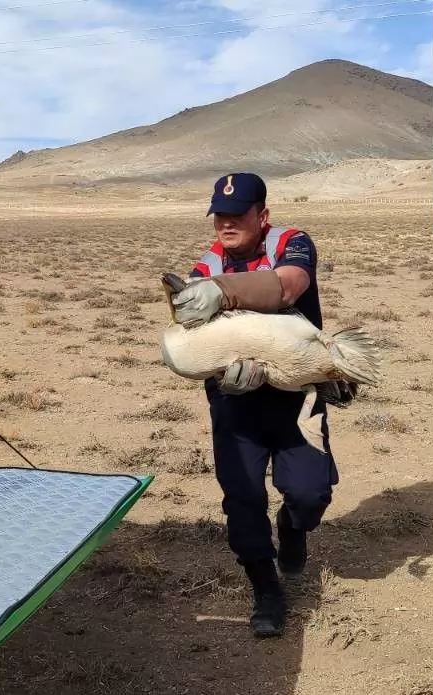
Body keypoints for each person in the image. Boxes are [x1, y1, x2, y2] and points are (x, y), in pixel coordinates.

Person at [170, 171, 355, 638]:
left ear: (263, 215)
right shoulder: (206, 265)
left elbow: (290, 285)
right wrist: (219, 377)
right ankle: (266, 590)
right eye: (219, 218)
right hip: (237, 404)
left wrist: (225, 292)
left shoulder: (291, 243)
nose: (226, 226)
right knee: (243, 499)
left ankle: (293, 526)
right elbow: (198, 339)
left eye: (238, 216)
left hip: (297, 399)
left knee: (310, 495)